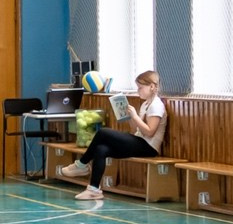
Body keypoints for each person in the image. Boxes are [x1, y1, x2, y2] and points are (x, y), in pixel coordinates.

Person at [60, 70, 167, 200]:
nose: (138, 91)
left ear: (151, 86)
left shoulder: (156, 105)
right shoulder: (145, 104)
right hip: (140, 141)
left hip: (148, 147)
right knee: (101, 149)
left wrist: (135, 116)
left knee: (103, 132)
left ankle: (81, 164)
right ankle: (93, 190)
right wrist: (129, 117)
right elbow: (136, 130)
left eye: (140, 88)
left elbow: (150, 132)